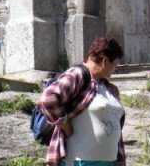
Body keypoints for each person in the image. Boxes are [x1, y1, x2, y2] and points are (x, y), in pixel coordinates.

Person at [38, 34, 126, 166]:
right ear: (105, 61)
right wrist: (65, 125)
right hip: (81, 160)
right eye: (115, 65)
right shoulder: (78, 74)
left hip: (109, 161)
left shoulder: (109, 87)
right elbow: (48, 98)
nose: (115, 69)